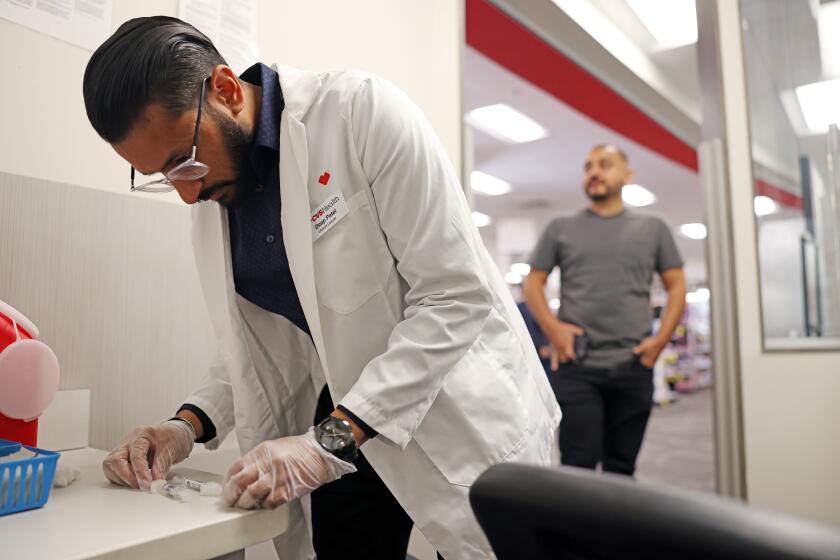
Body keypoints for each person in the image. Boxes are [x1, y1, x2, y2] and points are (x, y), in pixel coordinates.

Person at [83, 16, 560, 560]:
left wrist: (324, 443)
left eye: (183, 163)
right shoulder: (219, 192)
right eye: (166, 177)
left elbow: (454, 298)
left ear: (225, 89)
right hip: (347, 414)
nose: (187, 196)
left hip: (452, 403)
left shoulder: (362, 114)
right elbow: (256, 345)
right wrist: (182, 427)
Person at [523, 144, 685, 477]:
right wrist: (553, 328)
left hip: (634, 363)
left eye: (605, 164)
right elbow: (533, 282)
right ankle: (572, 532)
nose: (594, 171)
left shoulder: (653, 228)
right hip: (577, 366)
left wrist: (661, 341)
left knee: (621, 468)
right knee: (577, 466)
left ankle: (611, 532)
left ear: (627, 175)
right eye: (588, 166)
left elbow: (677, 285)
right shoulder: (560, 228)